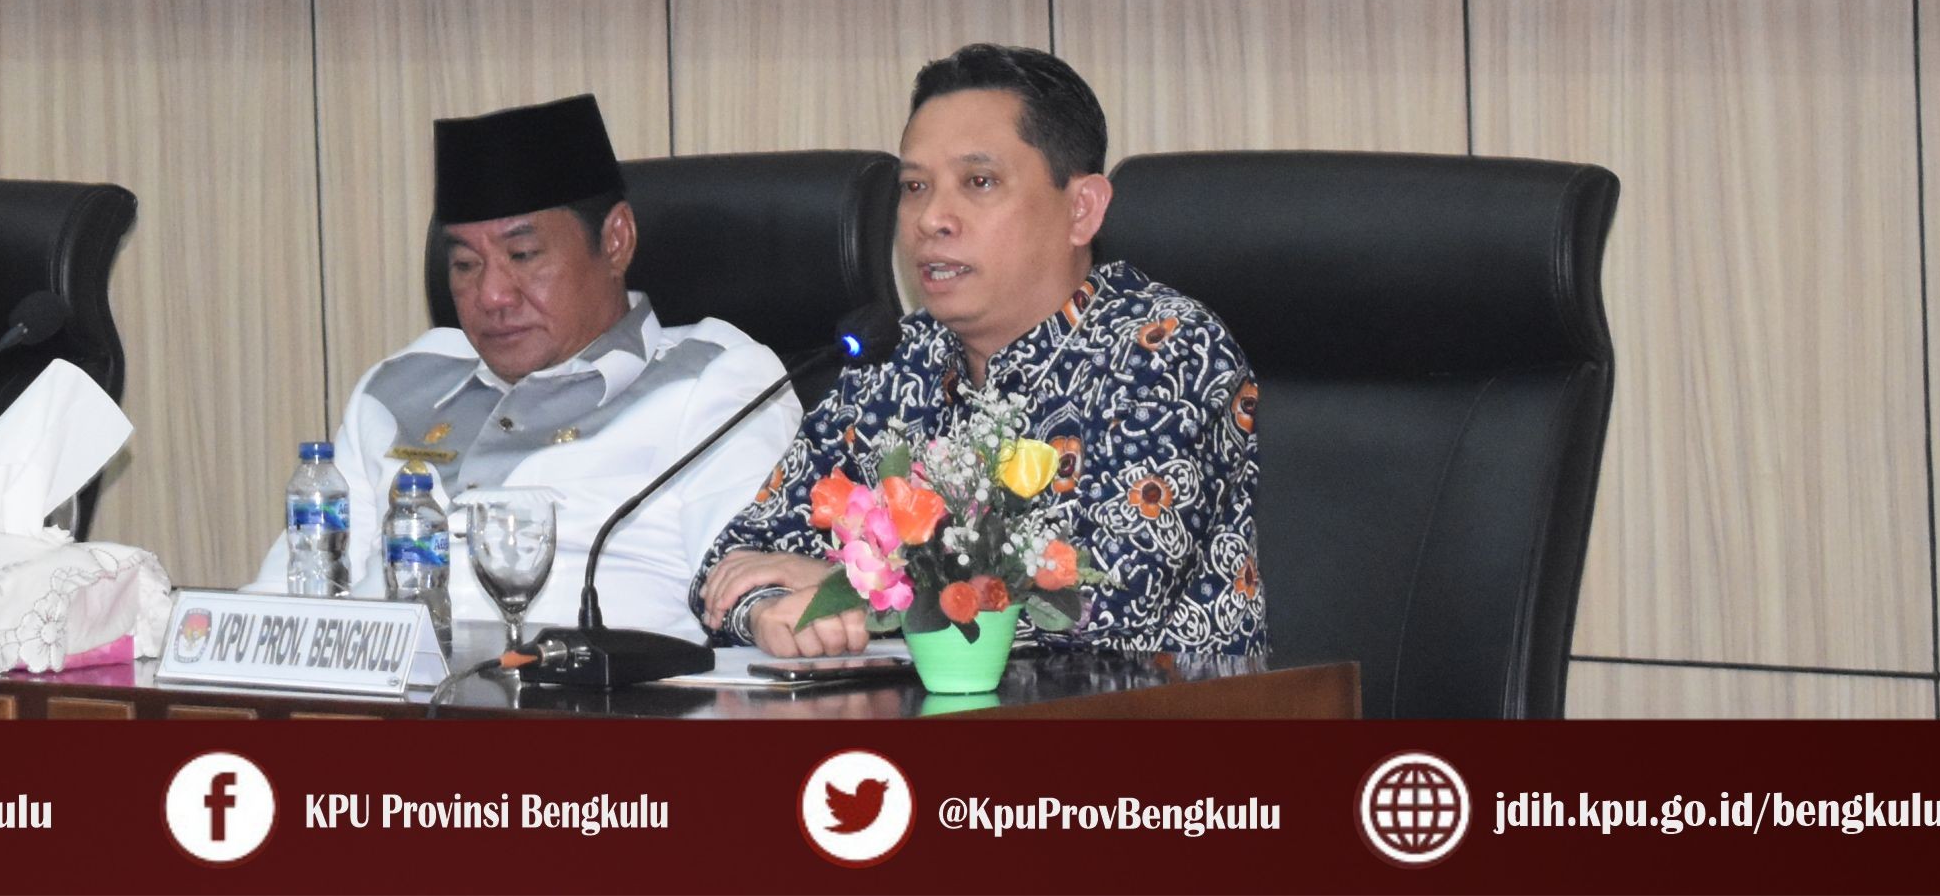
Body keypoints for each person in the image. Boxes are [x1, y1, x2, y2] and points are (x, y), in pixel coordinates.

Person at [696, 45, 1264, 658]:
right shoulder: (896, 360)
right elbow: (733, 568)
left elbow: (1099, 609)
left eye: (980, 182)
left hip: (1143, 713)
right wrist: (768, 611)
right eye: (915, 187)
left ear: (1081, 209)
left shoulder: (1166, 352)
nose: (931, 219)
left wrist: (853, 591)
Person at [293, 94, 795, 645]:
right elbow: (292, 597)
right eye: (465, 264)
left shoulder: (716, 380)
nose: (491, 294)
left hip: (591, 692)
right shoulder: (397, 385)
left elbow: (753, 596)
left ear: (616, 240)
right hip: (378, 691)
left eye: (524, 256)